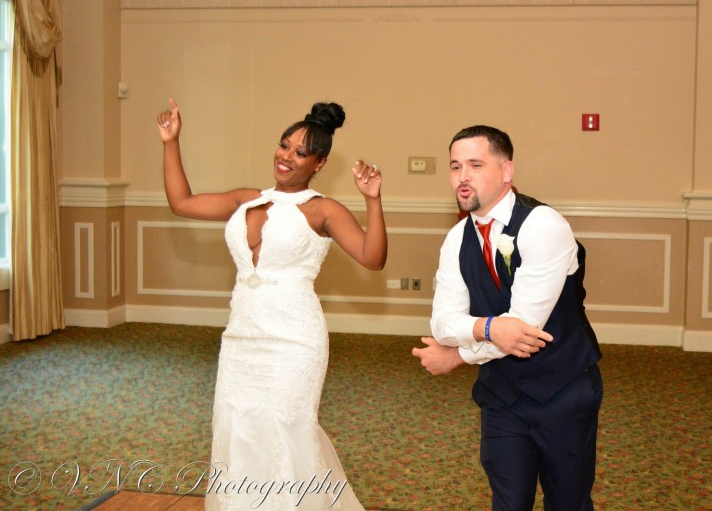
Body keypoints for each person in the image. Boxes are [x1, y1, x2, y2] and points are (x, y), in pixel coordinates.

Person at [157, 98, 386, 510]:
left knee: (287, 429)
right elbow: (182, 202)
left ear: (319, 163)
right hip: (242, 336)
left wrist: (372, 199)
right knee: (236, 425)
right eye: (284, 145)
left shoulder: (323, 210)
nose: (286, 157)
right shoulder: (246, 199)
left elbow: (373, 258)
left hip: (294, 339)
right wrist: (171, 142)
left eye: (300, 152)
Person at [412, 125, 602, 510]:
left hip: (562, 391)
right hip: (501, 396)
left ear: (507, 171)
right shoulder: (457, 238)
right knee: (508, 503)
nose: (463, 177)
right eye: (455, 167)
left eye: (475, 165)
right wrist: (486, 326)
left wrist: (458, 355)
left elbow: (522, 331)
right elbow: (443, 324)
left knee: (568, 503)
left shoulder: (543, 225)